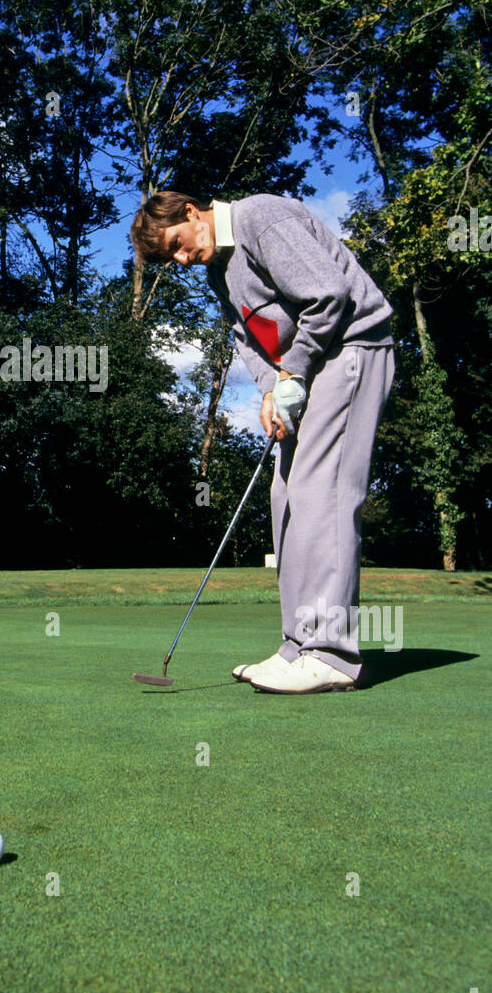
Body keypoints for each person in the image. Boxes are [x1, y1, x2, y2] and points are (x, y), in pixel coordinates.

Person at [130, 191, 396, 694]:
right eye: (172, 258)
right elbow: (246, 338)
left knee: (325, 494)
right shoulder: (219, 268)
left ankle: (331, 654)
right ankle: (298, 648)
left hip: (352, 349)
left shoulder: (260, 217)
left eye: (179, 245)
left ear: (191, 213)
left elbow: (329, 293)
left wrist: (293, 370)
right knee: (287, 496)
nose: (183, 259)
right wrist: (273, 390)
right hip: (310, 369)